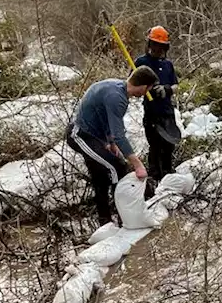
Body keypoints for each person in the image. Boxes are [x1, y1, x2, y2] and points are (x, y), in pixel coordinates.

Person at [66, 66, 159, 226]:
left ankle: (105, 221)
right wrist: (137, 164)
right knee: (117, 167)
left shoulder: (116, 87)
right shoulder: (117, 97)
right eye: (147, 90)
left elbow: (105, 118)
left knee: (100, 177)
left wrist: (110, 143)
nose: (144, 94)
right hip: (80, 136)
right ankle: (125, 219)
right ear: (144, 86)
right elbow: (119, 135)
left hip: (95, 137)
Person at [134, 25, 181, 187]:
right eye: (155, 44)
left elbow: (176, 85)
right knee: (155, 146)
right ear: (149, 44)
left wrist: (166, 89)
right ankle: (154, 179)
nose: (157, 48)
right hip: (151, 113)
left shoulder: (168, 65)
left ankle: (168, 175)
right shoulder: (141, 63)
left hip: (167, 112)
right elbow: (132, 85)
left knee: (168, 146)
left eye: (161, 46)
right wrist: (148, 89)